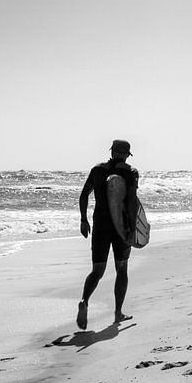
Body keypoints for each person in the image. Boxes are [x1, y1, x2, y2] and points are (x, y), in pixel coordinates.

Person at [76, 139, 138, 330]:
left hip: (100, 225)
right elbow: (131, 202)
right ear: (126, 154)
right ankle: (118, 313)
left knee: (97, 270)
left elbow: (84, 194)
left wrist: (84, 220)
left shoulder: (97, 169)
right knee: (122, 268)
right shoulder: (130, 172)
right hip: (121, 227)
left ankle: (84, 301)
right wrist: (133, 227)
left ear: (112, 152)